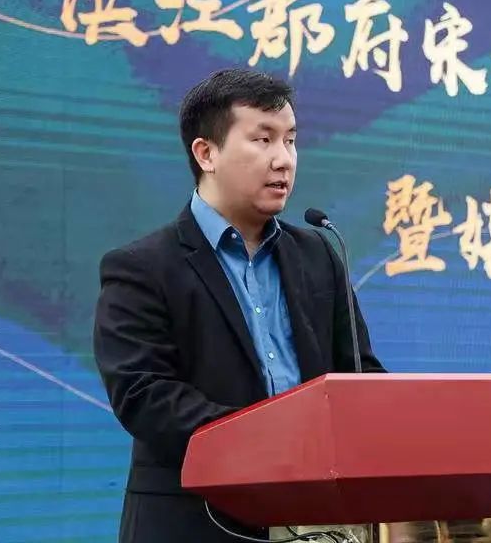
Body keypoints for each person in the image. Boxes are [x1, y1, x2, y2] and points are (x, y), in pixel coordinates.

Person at [93, 68, 384, 543]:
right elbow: (143, 394)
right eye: (263, 140)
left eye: (290, 141)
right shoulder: (141, 268)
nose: (283, 159)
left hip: (314, 521)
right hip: (195, 522)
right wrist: (270, 440)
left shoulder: (318, 254)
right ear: (206, 153)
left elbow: (358, 373)